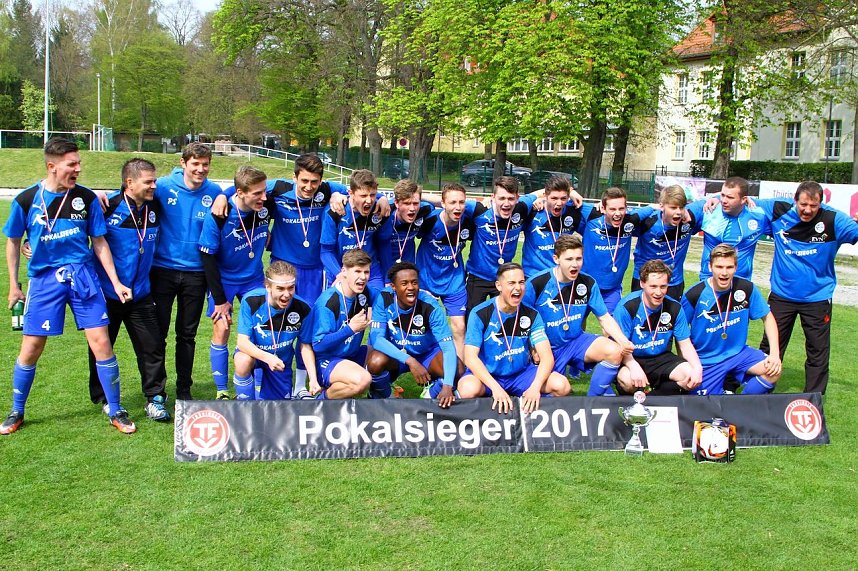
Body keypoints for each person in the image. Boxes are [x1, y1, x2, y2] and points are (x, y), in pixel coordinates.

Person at [2, 138, 135, 434]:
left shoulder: (86, 199)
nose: (78, 169)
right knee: (32, 346)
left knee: (101, 342)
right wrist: (14, 285)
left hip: (83, 276)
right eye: (71, 164)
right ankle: (16, 410)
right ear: (52, 166)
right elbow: (12, 243)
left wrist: (115, 282)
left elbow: (99, 242)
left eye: (78, 163)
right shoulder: (25, 200)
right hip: (45, 280)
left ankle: (115, 409)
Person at [86, 158, 169, 422]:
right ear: (129, 182)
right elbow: (74, 224)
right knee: (100, 346)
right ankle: (103, 397)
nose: (154, 186)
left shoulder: (155, 205)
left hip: (141, 293)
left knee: (152, 346)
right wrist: (30, 243)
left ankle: (155, 398)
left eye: (155, 180)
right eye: (149, 181)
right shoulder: (106, 205)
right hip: (106, 293)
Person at [755, 181, 858, 393]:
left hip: (817, 299)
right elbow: (740, 199)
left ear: (821, 203)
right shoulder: (777, 210)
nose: (808, 210)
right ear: (795, 200)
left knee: (818, 352)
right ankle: (758, 394)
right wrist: (711, 200)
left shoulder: (834, 220)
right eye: (803, 204)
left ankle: (814, 400)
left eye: (814, 205)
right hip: (782, 296)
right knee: (770, 348)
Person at [150, 142, 222, 400]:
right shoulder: (162, 186)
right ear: (183, 163)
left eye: (205, 164)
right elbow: (129, 193)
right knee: (158, 333)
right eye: (195, 164)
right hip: (163, 270)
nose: (201, 169)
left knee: (187, 335)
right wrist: (103, 196)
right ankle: (157, 391)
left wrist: (225, 194)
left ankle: (183, 389)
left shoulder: (214, 191)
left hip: (196, 273)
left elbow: (243, 190)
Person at [523, 235, 635, 396]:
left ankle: (593, 400)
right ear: (556, 259)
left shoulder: (587, 283)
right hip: (547, 347)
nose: (575, 264)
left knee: (614, 351)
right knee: (558, 391)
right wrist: (532, 347)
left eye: (578, 258)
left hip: (575, 341)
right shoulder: (537, 283)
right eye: (569, 259)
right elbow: (521, 321)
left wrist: (623, 341)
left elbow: (604, 318)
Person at [199, 166, 272, 400]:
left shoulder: (264, 205)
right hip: (225, 280)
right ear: (240, 192)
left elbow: (315, 185)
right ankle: (222, 389)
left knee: (263, 329)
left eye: (264, 192)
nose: (264, 197)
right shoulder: (219, 215)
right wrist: (220, 300)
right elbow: (207, 257)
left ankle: (260, 386)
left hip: (253, 278)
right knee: (222, 328)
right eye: (257, 193)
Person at [458, 263, 571, 413]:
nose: (518, 288)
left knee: (561, 385)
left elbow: (547, 357)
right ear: (499, 286)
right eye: (511, 283)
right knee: (467, 389)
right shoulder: (480, 313)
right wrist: (496, 389)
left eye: (521, 282)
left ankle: (533, 415)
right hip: (489, 376)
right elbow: (471, 358)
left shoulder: (532, 314)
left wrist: (535, 388)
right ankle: (490, 412)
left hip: (520, 375)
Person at [682, 244, 781, 395]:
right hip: (707, 360)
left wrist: (775, 354)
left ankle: (742, 404)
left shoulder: (746, 288)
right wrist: (689, 365)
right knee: (706, 410)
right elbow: (680, 333)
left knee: (773, 371)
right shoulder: (694, 294)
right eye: (719, 267)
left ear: (735, 267)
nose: (724, 273)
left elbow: (768, 318)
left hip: (738, 354)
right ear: (710, 267)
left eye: (729, 267)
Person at [367, 262, 461, 408]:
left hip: (427, 354)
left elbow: (448, 347)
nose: (410, 287)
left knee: (458, 368)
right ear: (393, 287)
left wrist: (448, 385)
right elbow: (376, 338)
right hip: (397, 354)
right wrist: (410, 360)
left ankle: (430, 394)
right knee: (375, 361)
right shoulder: (384, 298)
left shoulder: (431, 306)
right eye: (404, 283)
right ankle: (387, 396)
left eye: (414, 282)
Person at [614, 260, 703, 395]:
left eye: (663, 286)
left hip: (662, 358)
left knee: (689, 375)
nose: (658, 292)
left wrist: (697, 367)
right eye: (653, 286)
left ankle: (653, 394)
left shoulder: (674, 307)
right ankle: (663, 393)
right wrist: (633, 366)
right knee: (627, 380)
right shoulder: (627, 307)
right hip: (633, 357)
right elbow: (620, 346)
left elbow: (685, 345)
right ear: (642, 284)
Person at [233, 261, 316, 400]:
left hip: (281, 362)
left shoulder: (303, 308)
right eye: (280, 289)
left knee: (278, 409)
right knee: (242, 361)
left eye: (291, 288)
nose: (287, 294)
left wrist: (312, 378)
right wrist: (268, 357)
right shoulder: (251, 301)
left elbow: (305, 345)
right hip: (255, 353)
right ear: (268, 287)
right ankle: (244, 405)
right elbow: (242, 342)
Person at [303, 249, 379, 399]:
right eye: (357, 271)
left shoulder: (366, 293)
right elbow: (318, 344)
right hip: (326, 360)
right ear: (344, 271)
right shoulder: (328, 303)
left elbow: (389, 297)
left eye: (366, 272)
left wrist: (420, 293)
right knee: (362, 380)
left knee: (385, 357)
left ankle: (381, 399)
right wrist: (350, 329)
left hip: (351, 354)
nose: (363, 277)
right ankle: (321, 400)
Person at [415, 183, 477, 356]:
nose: (458, 207)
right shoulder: (429, 220)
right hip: (427, 281)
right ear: (442, 203)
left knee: (459, 326)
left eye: (461, 202)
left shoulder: (469, 222)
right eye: (452, 202)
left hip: (454, 282)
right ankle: (429, 368)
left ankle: (459, 373)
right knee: (422, 328)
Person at [465, 176, 541, 315]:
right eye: (501, 198)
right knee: (472, 320)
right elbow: (448, 201)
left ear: (517, 198)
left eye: (511, 198)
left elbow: (545, 192)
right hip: (477, 277)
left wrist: (571, 192)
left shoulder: (522, 207)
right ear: (493, 197)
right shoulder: (480, 209)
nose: (506, 203)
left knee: (503, 320)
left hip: (503, 278)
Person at [580, 187, 653, 312]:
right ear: (603, 208)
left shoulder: (630, 221)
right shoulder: (591, 214)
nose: (617, 213)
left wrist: (656, 206)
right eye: (612, 209)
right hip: (585, 284)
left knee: (612, 327)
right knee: (577, 324)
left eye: (621, 208)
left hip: (612, 288)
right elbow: (565, 198)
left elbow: (652, 208)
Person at [685, 176, 769, 280]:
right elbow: (681, 213)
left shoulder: (759, 217)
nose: (724, 200)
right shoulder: (709, 210)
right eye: (722, 195)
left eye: (730, 197)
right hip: (709, 279)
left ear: (744, 199)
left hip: (741, 282)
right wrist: (714, 197)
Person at [321, 170, 391, 291]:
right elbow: (326, 252)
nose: (369, 201)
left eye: (373, 195)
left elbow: (384, 246)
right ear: (351, 193)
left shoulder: (380, 211)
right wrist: (340, 275)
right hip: (340, 270)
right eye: (363, 196)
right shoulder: (335, 212)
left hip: (371, 272)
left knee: (378, 306)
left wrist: (388, 279)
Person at [631, 185, 702, 301]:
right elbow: (622, 217)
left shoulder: (691, 217)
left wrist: (714, 199)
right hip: (645, 282)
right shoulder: (648, 222)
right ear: (662, 206)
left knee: (670, 318)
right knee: (643, 318)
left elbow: (723, 195)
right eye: (673, 208)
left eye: (681, 207)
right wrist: (649, 208)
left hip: (674, 283)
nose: (678, 212)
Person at [521, 175, 583, 277]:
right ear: (545, 196)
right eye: (554, 198)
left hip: (561, 276)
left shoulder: (574, 211)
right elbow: (515, 203)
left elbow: (602, 212)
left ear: (568, 197)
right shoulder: (533, 211)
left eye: (563, 198)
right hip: (533, 276)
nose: (559, 203)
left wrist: (599, 204)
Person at [382, 179, 435, 277]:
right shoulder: (384, 213)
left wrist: (417, 194)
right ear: (397, 203)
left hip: (407, 270)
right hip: (383, 270)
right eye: (407, 203)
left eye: (415, 203)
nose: (412, 209)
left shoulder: (425, 210)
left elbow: (445, 202)